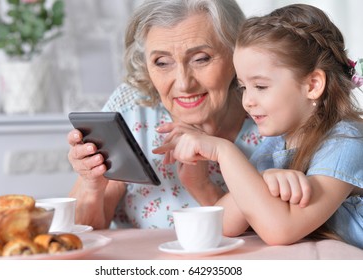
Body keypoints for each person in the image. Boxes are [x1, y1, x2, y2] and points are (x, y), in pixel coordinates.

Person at [153, 3, 363, 249]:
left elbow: (281, 230)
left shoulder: (346, 141)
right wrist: (262, 179)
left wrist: (223, 151)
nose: (247, 101)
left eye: (260, 87)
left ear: (313, 84)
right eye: (243, 87)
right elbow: (227, 224)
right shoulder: (275, 145)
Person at [67, 0, 264, 230]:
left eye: (201, 58)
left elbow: (276, 232)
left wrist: (202, 185)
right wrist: (92, 185)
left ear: (236, 54)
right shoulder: (133, 111)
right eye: (162, 62)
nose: (183, 83)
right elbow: (85, 233)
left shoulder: (267, 116)